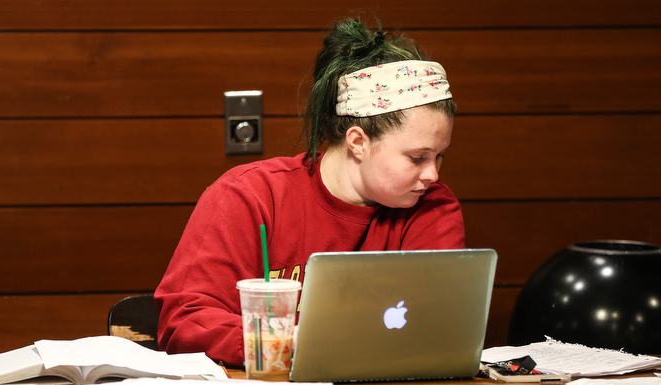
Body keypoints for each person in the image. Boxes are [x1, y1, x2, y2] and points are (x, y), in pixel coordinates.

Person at [155, 18, 465, 367]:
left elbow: (438, 328)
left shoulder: (432, 204)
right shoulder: (249, 196)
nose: (432, 174)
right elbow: (184, 320)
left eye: (440, 156)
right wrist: (284, 344)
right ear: (358, 142)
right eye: (417, 158)